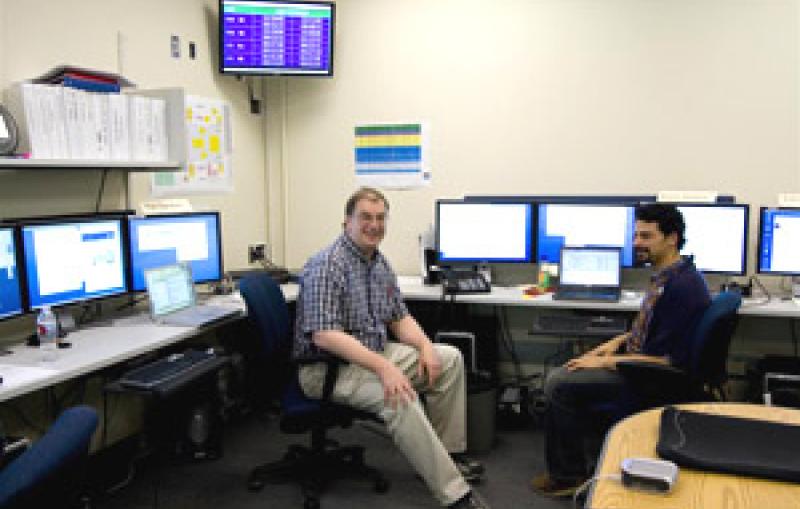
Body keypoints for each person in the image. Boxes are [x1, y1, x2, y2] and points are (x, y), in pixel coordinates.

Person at [294, 187, 490, 509]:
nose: (374, 225)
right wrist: (385, 368)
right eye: (365, 218)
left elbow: (398, 318)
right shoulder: (328, 265)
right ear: (347, 222)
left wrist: (426, 346)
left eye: (380, 218)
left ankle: (444, 458)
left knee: (449, 358)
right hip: (327, 368)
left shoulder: (377, 261)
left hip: (371, 354)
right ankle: (454, 494)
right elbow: (325, 336)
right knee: (399, 396)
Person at [531, 203, 711, 498]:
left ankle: (568, 476)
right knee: (575, 365)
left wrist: (608, 362)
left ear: (672, 238)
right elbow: (652, 329)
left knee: (558, 383)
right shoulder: (671, 275)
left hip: (653, 376)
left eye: (646, 237)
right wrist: (615, 342)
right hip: (639, 361)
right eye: (636, 236)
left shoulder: (681, 288)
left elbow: (665, 359)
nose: (637, 243)